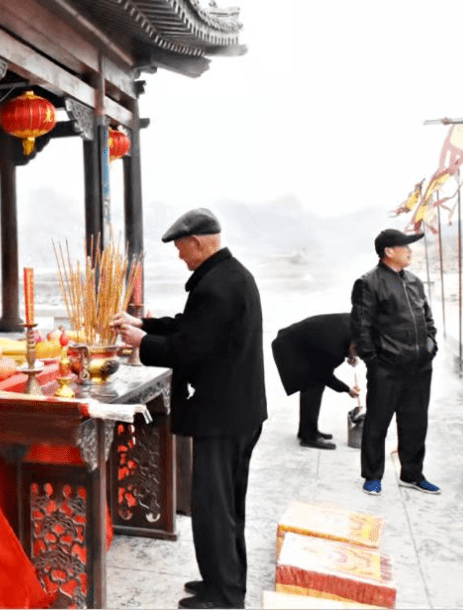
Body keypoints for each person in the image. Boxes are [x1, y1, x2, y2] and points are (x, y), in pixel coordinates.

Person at [112, 208, 266, 610]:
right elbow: (189, 326)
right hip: (238, 411)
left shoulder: (216, 286)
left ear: (197, 243)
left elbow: (190, 349)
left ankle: (224, 596)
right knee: (227, 505)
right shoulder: (229, 277)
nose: (181, 256)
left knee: (216, 507)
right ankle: (224, 581)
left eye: (182, 249)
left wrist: (140, 343)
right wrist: (143, 324)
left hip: (223, 415)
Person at [351, 229, 440, 496]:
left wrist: (430, 347)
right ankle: (372, 476)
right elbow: (360, 327)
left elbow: (428, 320)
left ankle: (412, 474)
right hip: (387, 369)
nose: (410, 251)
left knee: (415, 423)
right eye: (405, 247)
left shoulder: (414, 281)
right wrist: (375, 362)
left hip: (419, 368)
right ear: (389, 251)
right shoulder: (368, 282)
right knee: (378, 423)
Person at [272, 313, 361, 450]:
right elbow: (326, 376)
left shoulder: (355, 324)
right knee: (313, 384)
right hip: (290, 347)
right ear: (353, 345)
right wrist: (347, 389)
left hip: (302, 342)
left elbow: (348, 345)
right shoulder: (334, 350)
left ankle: (306, 430)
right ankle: (309, 437)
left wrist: (349, 354)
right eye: (357, 353)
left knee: (312, 382)